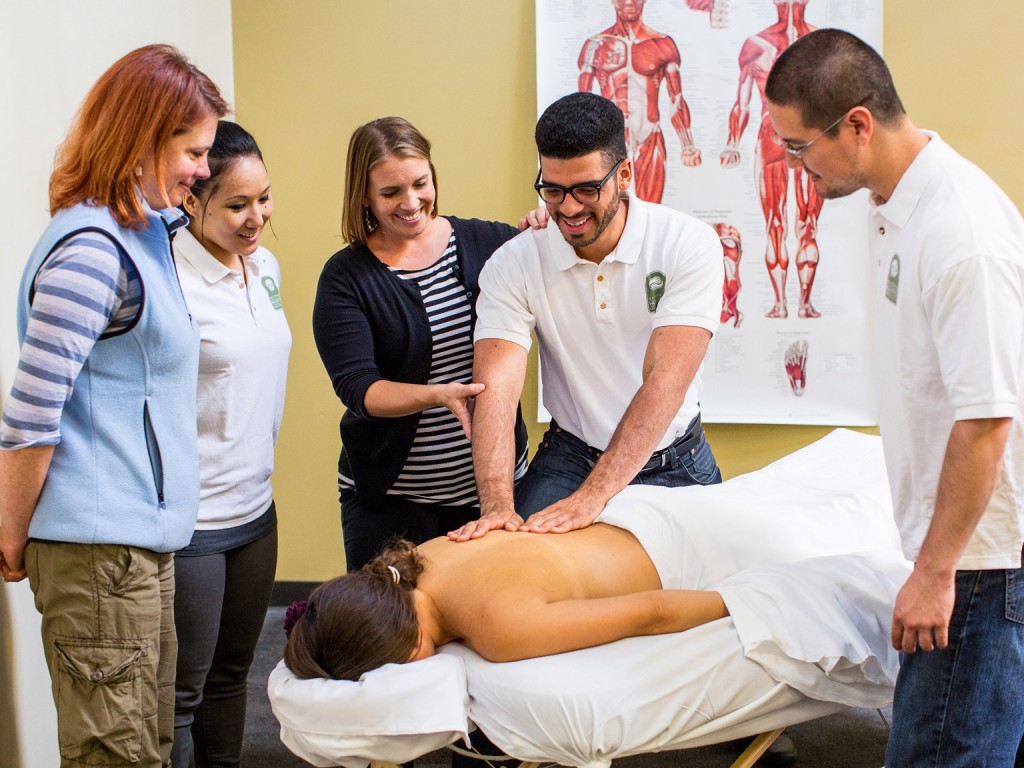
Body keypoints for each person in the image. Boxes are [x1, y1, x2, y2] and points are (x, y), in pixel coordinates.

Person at [765, 28, 1024, 767]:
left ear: (857, 124)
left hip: (979, 565)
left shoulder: (962, 234)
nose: (793, 166)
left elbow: (985, 421)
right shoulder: (897, 204)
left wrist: (936, 572)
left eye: (797, 147)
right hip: (958, 555)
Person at [0, 45, 227, 768]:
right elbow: (32, 414)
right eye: (192, 151)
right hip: (97, 553)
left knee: (146, 748)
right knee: (115, 757)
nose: (202, 170)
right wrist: (11, 536)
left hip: (136, 548)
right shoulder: (95, 252)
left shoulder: (142, 235)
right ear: (139, 137)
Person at [452, 92, 722, 542]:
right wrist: (498, 506)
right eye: (553, 190)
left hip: (675, 457)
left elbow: (665, 382)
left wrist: (593, 497)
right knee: (513, 556)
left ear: (625, 175)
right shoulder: (514, 262)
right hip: (571, 455)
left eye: (587, 189)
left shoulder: (687, 244)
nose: (570, 208)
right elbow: (496, 388)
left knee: (714, 591)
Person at [312, 117, 530, 572]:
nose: (411, 202)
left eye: (420, 184)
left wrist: (544, 229)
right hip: (392, 502)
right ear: (365, 196)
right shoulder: (346, 278)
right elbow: (359, 388)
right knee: (392, 632)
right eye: (391, 193)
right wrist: (437, 395)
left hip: (494, 495)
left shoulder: (489, 243)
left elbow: (563, 271)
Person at [170, 121, 291, 768]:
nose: (256, 219)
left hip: (255, 510)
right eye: (237, 205)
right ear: (193, 200)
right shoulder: (169, 282)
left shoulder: (263, 266)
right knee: (183, 694)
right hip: (192, 521)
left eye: (264, 199)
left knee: (232, 678)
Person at [284, 525, 728, 681]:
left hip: (697, 556)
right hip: (636, 516)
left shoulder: (498, 629)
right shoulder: (427, 555)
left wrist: (738, 601)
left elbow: (653, 613)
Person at [720, 0, 822, 319]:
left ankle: (791, 304)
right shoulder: (819, 43)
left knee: (795, 224)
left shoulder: (815, 42)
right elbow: (743, 102)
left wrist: (733, 143)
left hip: (786, 137)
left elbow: (743, 102)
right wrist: (732, 143)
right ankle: (792, 304)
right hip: (790, 137)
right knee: (787, 224)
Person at [578, 0, 701, 203]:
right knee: (606, 211)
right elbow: (582, 103)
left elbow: (675, 97)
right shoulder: (595, 45)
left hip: (649, 136)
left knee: (651, 212)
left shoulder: (662, 43)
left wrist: (687, 146)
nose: (628, 2)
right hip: (608, 142)